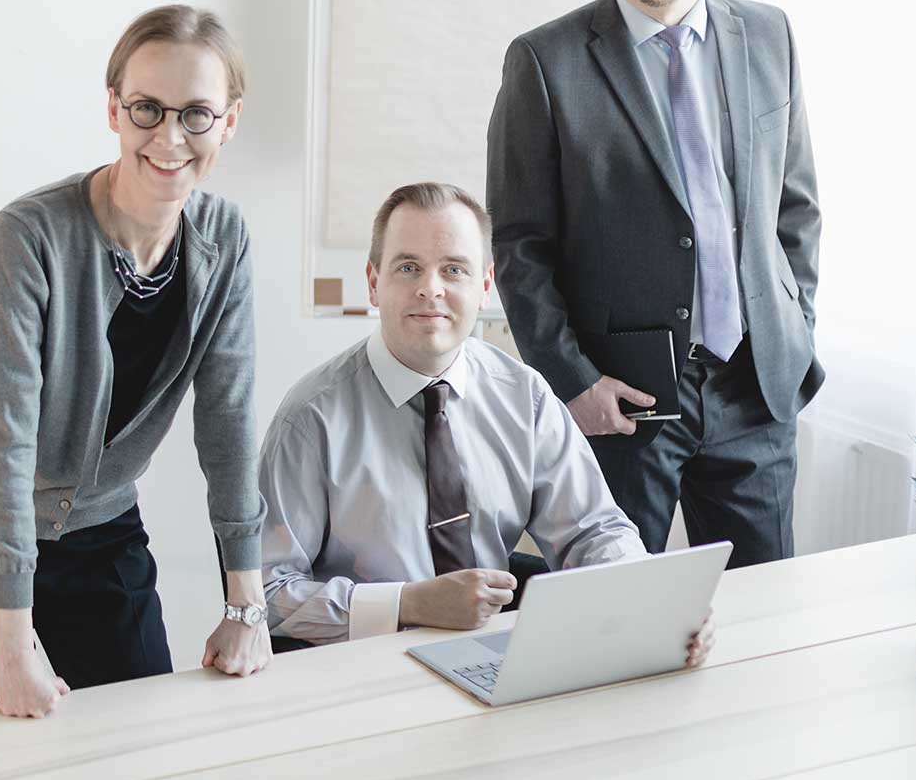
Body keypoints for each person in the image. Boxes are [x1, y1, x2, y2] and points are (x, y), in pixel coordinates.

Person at [0, 5, 270, 718]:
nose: (169, 137)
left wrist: (245, 605)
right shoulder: (28, 236)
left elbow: (228, 419)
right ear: (113, 110)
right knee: (3, 757)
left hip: (100, 523)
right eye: (146, 108)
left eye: (196, 114)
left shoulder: (225, 238)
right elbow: (5, 444)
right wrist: (12, 640)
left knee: (136, 741)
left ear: (228, 121)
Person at [487, 0, 823, 567]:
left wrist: (794, 327)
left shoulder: (769, 35)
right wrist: (573, 382)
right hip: (624, 402)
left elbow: (795, 208)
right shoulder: (545, 62)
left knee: (765, 608)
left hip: (754, 387)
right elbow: (520, 246)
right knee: (616, 612)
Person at [258, 181, 713, 667]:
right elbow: (266, 592)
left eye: (453, 269)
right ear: (373, 282)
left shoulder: (524, 396)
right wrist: (407, 604)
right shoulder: (310, 419)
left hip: (492, 657)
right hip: (357, 667)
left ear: (484, 285)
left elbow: (592, 531)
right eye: (408, 267)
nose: (431, 288)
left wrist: (651, 601)